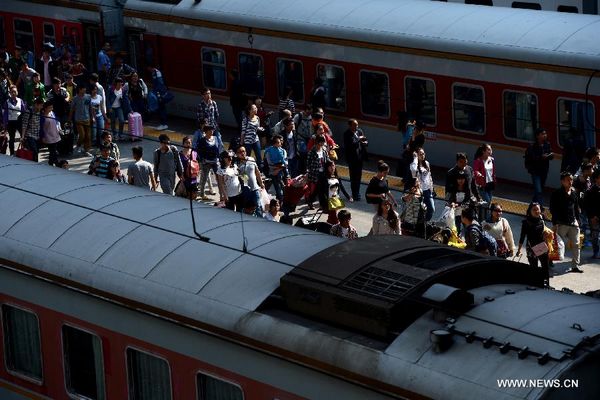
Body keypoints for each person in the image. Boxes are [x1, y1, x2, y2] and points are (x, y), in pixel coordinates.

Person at [549, 172, 582, 273]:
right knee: (557, 244)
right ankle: (550, 259)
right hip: (561, 223)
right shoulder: (556, 193)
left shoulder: (574, 193)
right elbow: (552, 209)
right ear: (562, 181)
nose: (570, 182)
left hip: (573, 223)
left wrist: (578, 220)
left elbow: (576, 208)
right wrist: (555, 223)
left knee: (576, 244)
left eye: (571, 180)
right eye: (568, 180)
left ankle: (575, 265)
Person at [517, 203, 553, 287]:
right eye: (534, 209)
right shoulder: (526, 222)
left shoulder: (542, 218)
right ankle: (535, 284)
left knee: (545, 267)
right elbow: (522, 237)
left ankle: (546, 284)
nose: (537, 211)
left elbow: (544, 229)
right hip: (531, 248)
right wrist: (518, 250)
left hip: (542, 246)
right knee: (534, 268)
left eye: (538, 209)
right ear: (530, 211)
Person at [525, 128, 554, 205]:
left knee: (540, 189)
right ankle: (541, 207)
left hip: (544, 171)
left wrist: (550, 155)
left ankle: (533, 205)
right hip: (535, 171)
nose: (545, 135)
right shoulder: (532, 146)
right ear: (537, 136)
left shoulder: (547, 145)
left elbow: (550, 153)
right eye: (543, 134)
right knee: (538, 190)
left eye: (545, 134)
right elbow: (531, 157)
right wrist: (541, 157)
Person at [318, 160, 352, 224]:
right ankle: (334, 229)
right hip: (327, 201)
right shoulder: (323, 178)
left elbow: (341, 187)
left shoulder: (337, 177)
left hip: (335, 199)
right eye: (330, 166)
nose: (332, 168)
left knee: (332, 217)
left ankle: (329, 227)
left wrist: (348, 197)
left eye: (333, 166)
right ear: (327, 167)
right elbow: (319, 191)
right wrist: (322, 203)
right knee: (334, 218)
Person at [236, 146, 265, 217]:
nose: (242, 153)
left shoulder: (251, 159)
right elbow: (241, 177)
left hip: (255, 189)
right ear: (237, 154)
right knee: (247, 209)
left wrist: (261, 183)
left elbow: (257, 172)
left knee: (258, 207)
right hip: (246, 190)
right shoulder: (237, 164)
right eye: (240, 152)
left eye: (243, 151)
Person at [343, 119, 368, 200]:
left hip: (360, 157)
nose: (356, 127)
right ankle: (354, 194)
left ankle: (357, 192)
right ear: (350, 125)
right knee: (353, 177)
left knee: (359, 176)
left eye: (357, 125)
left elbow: (364, 140)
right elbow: (351, 145)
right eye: (354, 125)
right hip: (352, 158)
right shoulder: (347, 134)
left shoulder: (359, 131)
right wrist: (359, 139)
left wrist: (365, 142)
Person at [445, 169, 476, 235]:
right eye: (459, 179)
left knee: (467, 228)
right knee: (456, 227)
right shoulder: (453, 188)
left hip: (465, 213)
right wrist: (452, 203)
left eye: (462, 179)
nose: (461, 181)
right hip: (456, 212)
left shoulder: (467, 189)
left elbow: (468, 201)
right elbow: (449, 199)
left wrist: (459, 204)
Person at [409, 147, 435, 221]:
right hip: (418, 192)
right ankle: (419, 225)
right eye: (420, 154)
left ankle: (425, 222)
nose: (422, 155)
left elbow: (429, 176)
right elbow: (414, 172)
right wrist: (415, 159)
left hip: (427, 190)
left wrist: (431, 188)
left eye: (423, 154)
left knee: (431, 209)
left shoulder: (426, 163)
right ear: (417, 155)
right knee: (419, 210)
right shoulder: (413, 165)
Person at [305, 135, 329, 209]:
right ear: (317, 142)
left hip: (323, 173)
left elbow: (327, 159)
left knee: (320, 189)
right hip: (315, 173)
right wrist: (308, 172)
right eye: (321, 142)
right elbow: (308, 163)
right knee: (318, 190)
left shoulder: (324, 150)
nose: (322, 144)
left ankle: (314, 202)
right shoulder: (312, 152)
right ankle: (318, 203)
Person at [197, 125, 220, 200]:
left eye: (212, 130)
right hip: (206, 162)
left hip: (215, 161)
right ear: (206, 132)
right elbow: (199, 151)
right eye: (210, 130)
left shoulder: (216, 138)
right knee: (204, 177)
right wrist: (202, 160)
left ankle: (221, 194)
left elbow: (219, 148)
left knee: (219, 177)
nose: (212, 131)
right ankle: (202, 193)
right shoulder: (202, 140)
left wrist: (219, 158)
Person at [68, 85, 93, 156]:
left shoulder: (88, 97)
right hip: (78, 119)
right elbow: (72, 109)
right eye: (83, 88)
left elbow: (90, 107)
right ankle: (78, 145)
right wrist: (69, 119)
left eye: (85, 88)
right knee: (82, 134)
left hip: (87, 118)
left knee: (88, 136)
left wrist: (92, 117)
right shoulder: (75, 98)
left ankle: (86, 150)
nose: (84, 90)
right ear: (79, 89)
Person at [196, 88, 223, 152]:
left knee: (219, 141)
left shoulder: (214, 103)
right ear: (203, 96)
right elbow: (199, 118)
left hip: (214, 127)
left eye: (209, 93)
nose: (209, 95)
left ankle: (219, 155)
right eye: (207, 93)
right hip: (205, 128)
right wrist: (203, 127)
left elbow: (217, 115)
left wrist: (215, 124)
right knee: (206, 143)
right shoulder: (200, 105)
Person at [2, 85, 27, 155]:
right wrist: (5, 126)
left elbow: (24, 111)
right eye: (12, 92)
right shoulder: (6, 102)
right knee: (12, 139)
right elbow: (5, 115)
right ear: (9, 93)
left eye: (15, 92)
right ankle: (12, 153)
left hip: (19, 122)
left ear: (17, 92)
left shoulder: (20, 100)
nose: (13, 93)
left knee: (23, 137)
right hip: (11, 122)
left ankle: (24, 151)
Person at [264, 134, 288, 202]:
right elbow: (269, 163)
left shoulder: (283, 151)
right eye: (279, 141)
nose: (281, 143)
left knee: (283, 187)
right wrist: (277, 168)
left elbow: (285, 163)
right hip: (272, 171)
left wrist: (279, 169)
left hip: (281, 171)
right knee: (277, 188)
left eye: (281, 141)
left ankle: (283, 201)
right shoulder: (269, 151)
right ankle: (280, 201)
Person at [20, 97, 44, 162]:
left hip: (37, 136)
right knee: (34, 151)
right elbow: (24, 125)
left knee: (36, 152)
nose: (41, 107)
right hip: (30, 135)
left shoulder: (40, 112)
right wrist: (22, 136)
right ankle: (35, 166)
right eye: (40, 105)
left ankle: (34, 164)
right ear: (36, 104)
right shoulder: (29, 111)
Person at [107, 77, 131, 141]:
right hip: (112, 108)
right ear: (116, 83)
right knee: (113, 121)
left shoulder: (122, 91)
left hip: (119, 107)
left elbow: (126, 100)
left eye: (121, 83)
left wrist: (130, 110)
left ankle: (120, 134)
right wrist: (109, 107)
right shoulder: (111, 89)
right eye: (119, 83)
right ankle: (114, 134)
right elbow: (108, 99)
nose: (121, 84)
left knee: (122, 120)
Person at [473, 143, 496, 208]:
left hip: (490, 184)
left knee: (489, 202)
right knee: (487, 202)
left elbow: (492, 171)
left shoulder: (492, 160)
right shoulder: (478, 160)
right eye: (488, 149)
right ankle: (484, 215)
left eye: (491, 149)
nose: (490, 151)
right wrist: (478, 174)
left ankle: (484, 214)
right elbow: (475, 170)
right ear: (483, 151)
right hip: (482, 184)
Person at [583, 169, 600, 259]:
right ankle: (596, 252)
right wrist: (592, 217)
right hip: (593, 217)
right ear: (597, 179)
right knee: (595, 236)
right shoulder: (591, 190)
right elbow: (588, 205)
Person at [41, 101, 61, 166]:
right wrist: (43, 137)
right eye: (50, 107)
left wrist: (59, 127)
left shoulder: (52, 113)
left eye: (52, 107)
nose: (51, 109)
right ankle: (56, 163)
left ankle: (52, 163)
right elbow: (41, 128)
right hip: (48, 136)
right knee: (52, 151)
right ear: (45, 108)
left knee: (53, 151)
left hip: (55, 134)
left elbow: (57, 121)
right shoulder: (42, 116)